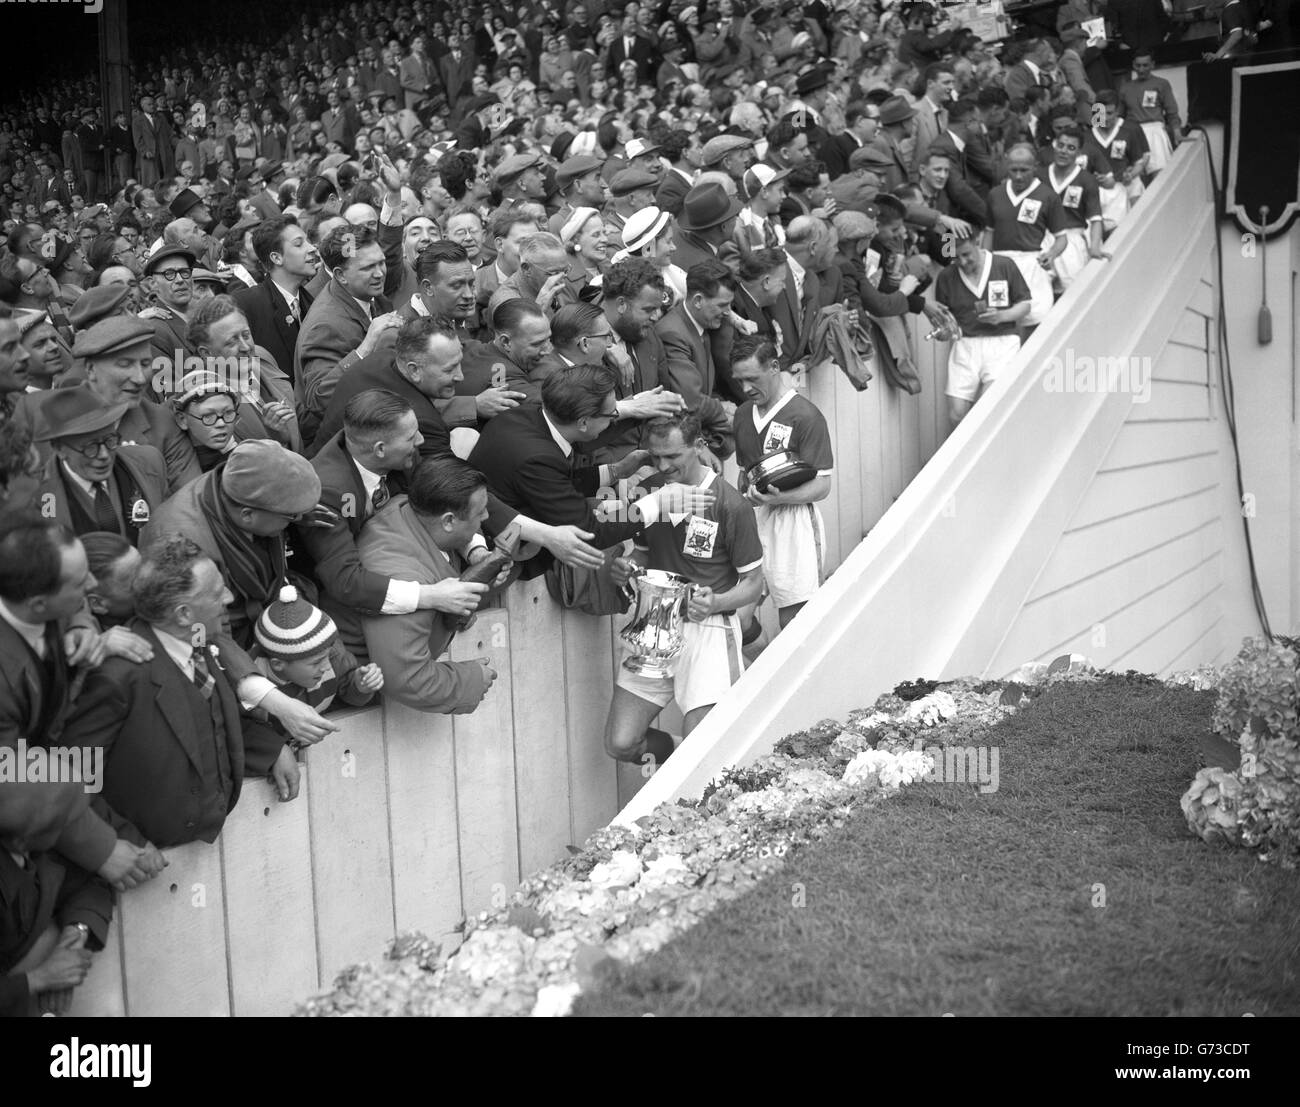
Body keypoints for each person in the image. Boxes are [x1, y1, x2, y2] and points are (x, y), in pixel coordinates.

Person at [61, 534, 301, 845]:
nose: (228, 598)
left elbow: (210, 720)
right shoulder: (115, 676)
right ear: (184, 614)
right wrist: (116, 846)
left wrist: (272, 750)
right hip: (143, 863)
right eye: (216, 593)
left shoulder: (197, 645)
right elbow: (70, 776)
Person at [604, 412, 763, 767]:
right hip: (652, 627)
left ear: (699, 446)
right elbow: (643, 554)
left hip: (707, 631)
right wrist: (627, 568)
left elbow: (754, 585)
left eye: (672, 456)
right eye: (656, 456)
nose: (663, 465)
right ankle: (679, 756)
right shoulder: (653, 493)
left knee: (706, 749)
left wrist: (716, 601)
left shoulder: (731, 504)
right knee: (621, 743)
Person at [468, 363, 652, 577]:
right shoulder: (538, 458)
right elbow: (589, 531)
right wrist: (658, 504)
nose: (614, 420)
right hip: (510, 556)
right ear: (583, 422)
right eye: (612, 416)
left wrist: (616, 471)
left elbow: (553, 485)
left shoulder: (525, 415)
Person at [141, 439, 323, 647]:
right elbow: (200, 630)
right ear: (247, 515)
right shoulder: (183, 544)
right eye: (291, 515)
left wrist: (298, 510)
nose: (298, 519)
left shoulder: (229, 484)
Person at [358, 458, 502, 714]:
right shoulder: (403, 577)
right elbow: (407, 680)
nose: (487, 517)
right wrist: (471, 680)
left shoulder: (406, 507)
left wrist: (476, 554)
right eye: (479, 513)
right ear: (448, 521)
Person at [730, 336, 833, 632]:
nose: (746, 388)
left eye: (752, 379)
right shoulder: (741, 415)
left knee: (793, 627)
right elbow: (743, 471)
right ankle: (760, 671)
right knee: (736, 621)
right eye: (740, 381)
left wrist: (777, 499)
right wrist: (744, 495)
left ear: (774, 367)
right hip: (753, 521)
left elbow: (822, 486)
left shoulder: (806, 416)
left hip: (793, 525)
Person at [0, 780, 114, 1017]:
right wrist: (39, 978)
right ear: (21, 840)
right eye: (59, 823)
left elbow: (89, 884)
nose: (68, 829)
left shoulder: (36, 848)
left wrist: (75, 935)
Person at [295, 223, 401, 445]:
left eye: (381, 263)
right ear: (340, 275)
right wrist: (365, 348)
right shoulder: (325, 325)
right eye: (368, 268)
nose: (380, 273)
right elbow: (319, 399)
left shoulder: (372, 296)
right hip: (337, 441)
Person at [33, 385, 167, 546]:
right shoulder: (38, 496)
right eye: (90, 447)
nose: (104, 455)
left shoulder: (149, 462)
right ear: (59, 448)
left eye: (110, 440)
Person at [935, 233, 1032, 423]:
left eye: (966, 254)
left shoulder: (1004, 265)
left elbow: (1025, 304)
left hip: (1002, 342)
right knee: (956, 414)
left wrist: (1001, 316)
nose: (962, 261)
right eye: (956, 257)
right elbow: (944, 319)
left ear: (976, 242)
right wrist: (944, 331)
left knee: (987, 408)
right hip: (965, 343)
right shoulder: (946, 276)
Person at [655, 259, 739, 462]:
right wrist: (722, 410)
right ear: (699, 300)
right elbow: (690, 400)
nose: (728, 312)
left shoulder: (701, 324)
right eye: (722, 305)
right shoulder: (673, 332)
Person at [987, 144, 1070, 332]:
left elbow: (1061, 238)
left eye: (1024, 170)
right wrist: (986, 259)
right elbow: (989, 231)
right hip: (1000, 264)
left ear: (1035, 167)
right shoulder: (995, 194)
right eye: (1013, 170)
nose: (1018, 176)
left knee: (1036, 320)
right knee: (1001, 319)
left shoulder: (1048, 196)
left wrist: (1052, 254)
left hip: (1031, 263)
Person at [232, 216, 318, 383]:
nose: (312, 248)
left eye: (308, 241)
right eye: (299, 244)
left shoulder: (313, 301)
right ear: (276, 258)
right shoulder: (245, 305)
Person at [1119, 48, 1181, 174]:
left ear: (1152, 64)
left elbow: (1171, 111)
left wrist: (1177, 132)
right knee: (1135, 179)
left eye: (1145, 65)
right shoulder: (1125, 88)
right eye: (1138, 65)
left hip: (1155, 133)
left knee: (1159, 177)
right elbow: (1119, 115)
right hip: (1133, 133)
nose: (1141, 69)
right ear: (1133, 65)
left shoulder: (1162, 84)